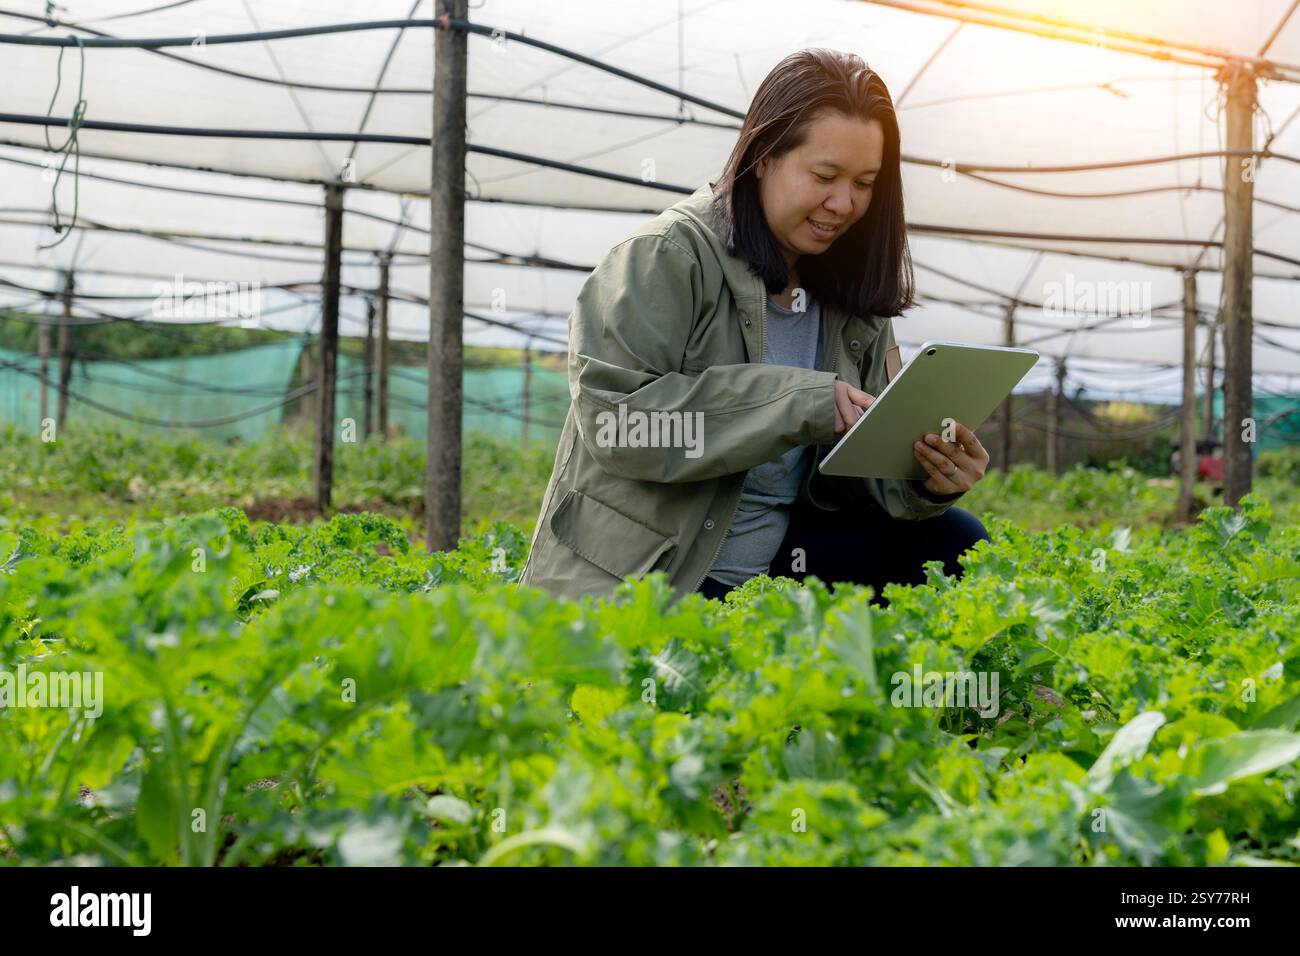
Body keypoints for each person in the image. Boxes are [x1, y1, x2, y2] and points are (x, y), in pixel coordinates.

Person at [518, 48, 990, 606]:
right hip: (658, 578)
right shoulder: (666, 256)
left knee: (954, 540)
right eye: (825, 175)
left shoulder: (851, 301)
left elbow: (860, 472)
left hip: (776, 575)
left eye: (865, 183)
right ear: (763, 155)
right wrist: (794, 402)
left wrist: (925, 477)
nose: (844, 203)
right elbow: (617, 426)